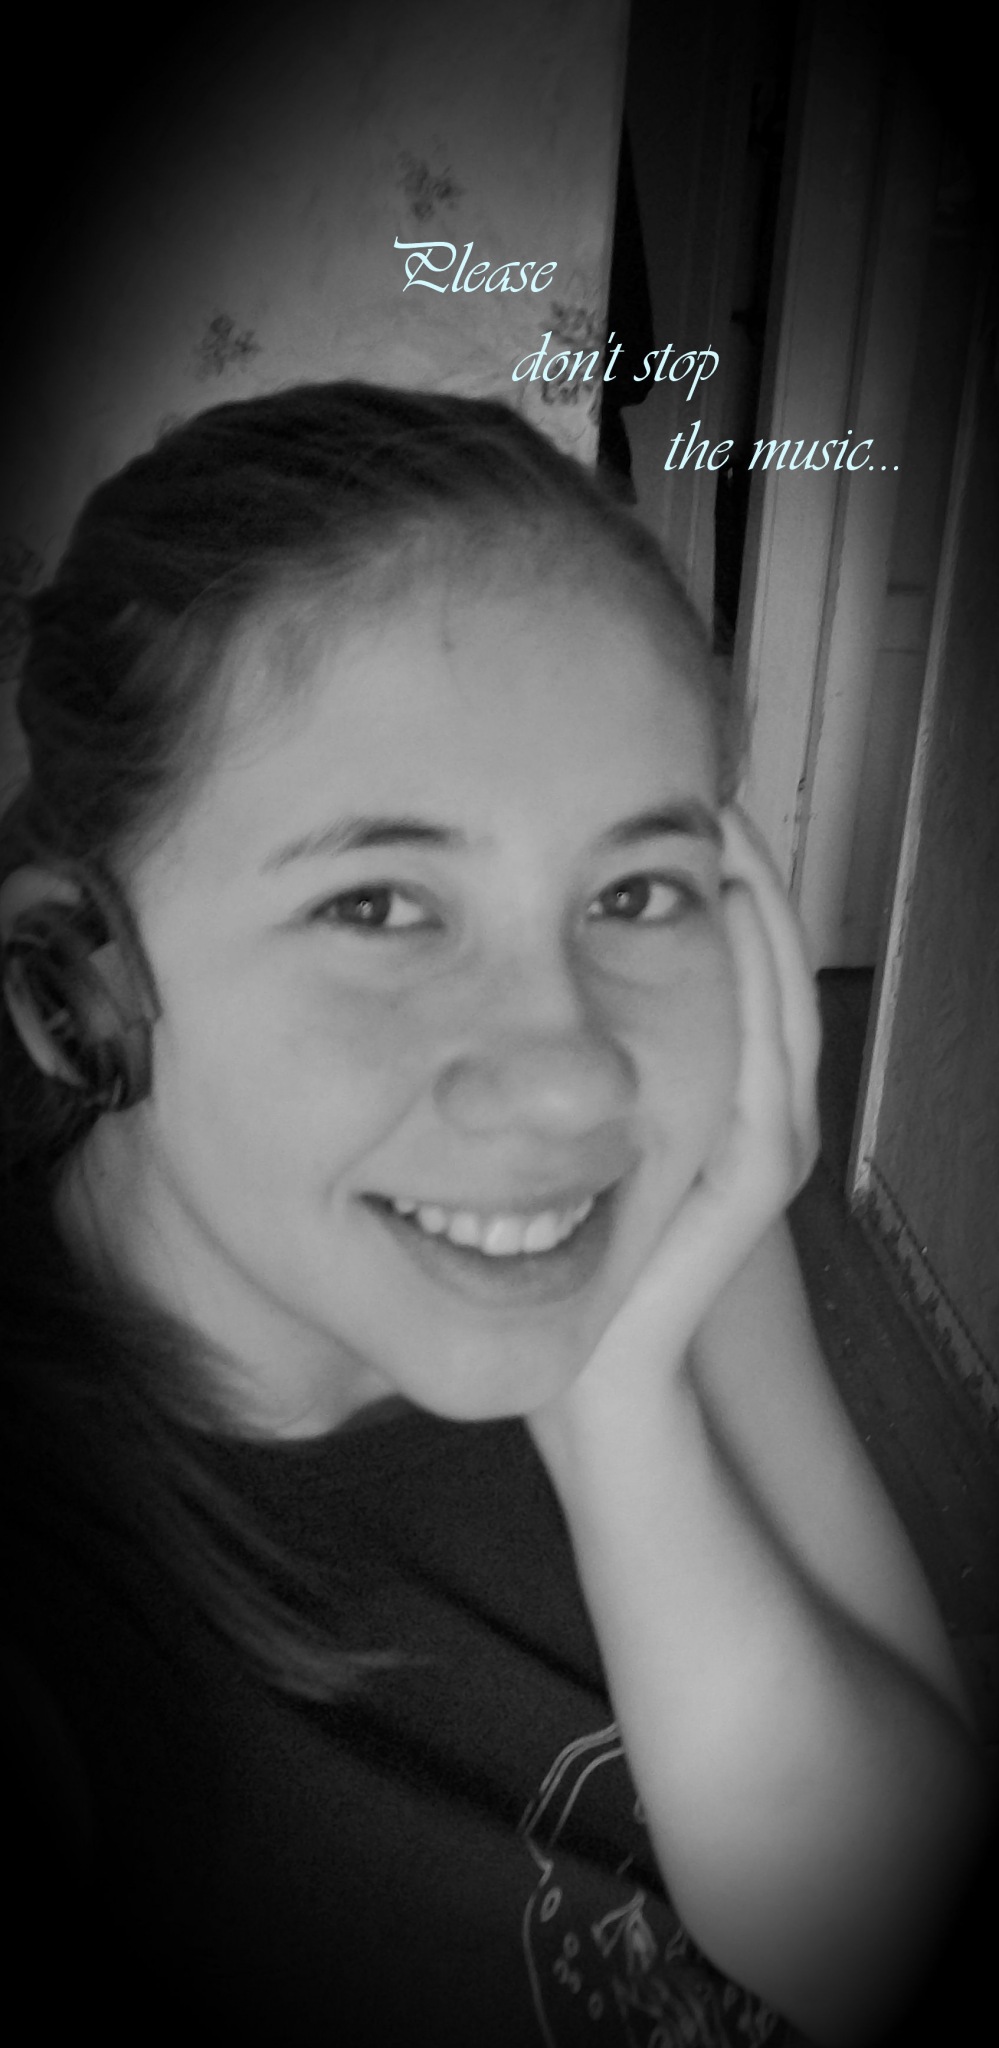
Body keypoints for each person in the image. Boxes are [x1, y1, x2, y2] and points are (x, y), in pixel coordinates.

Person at [0, 382, 987, 2047]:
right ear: (76, 981)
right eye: (380, 906)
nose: (570, 1085)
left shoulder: (687, 1248)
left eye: (635, 891)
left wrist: (619, 1398)